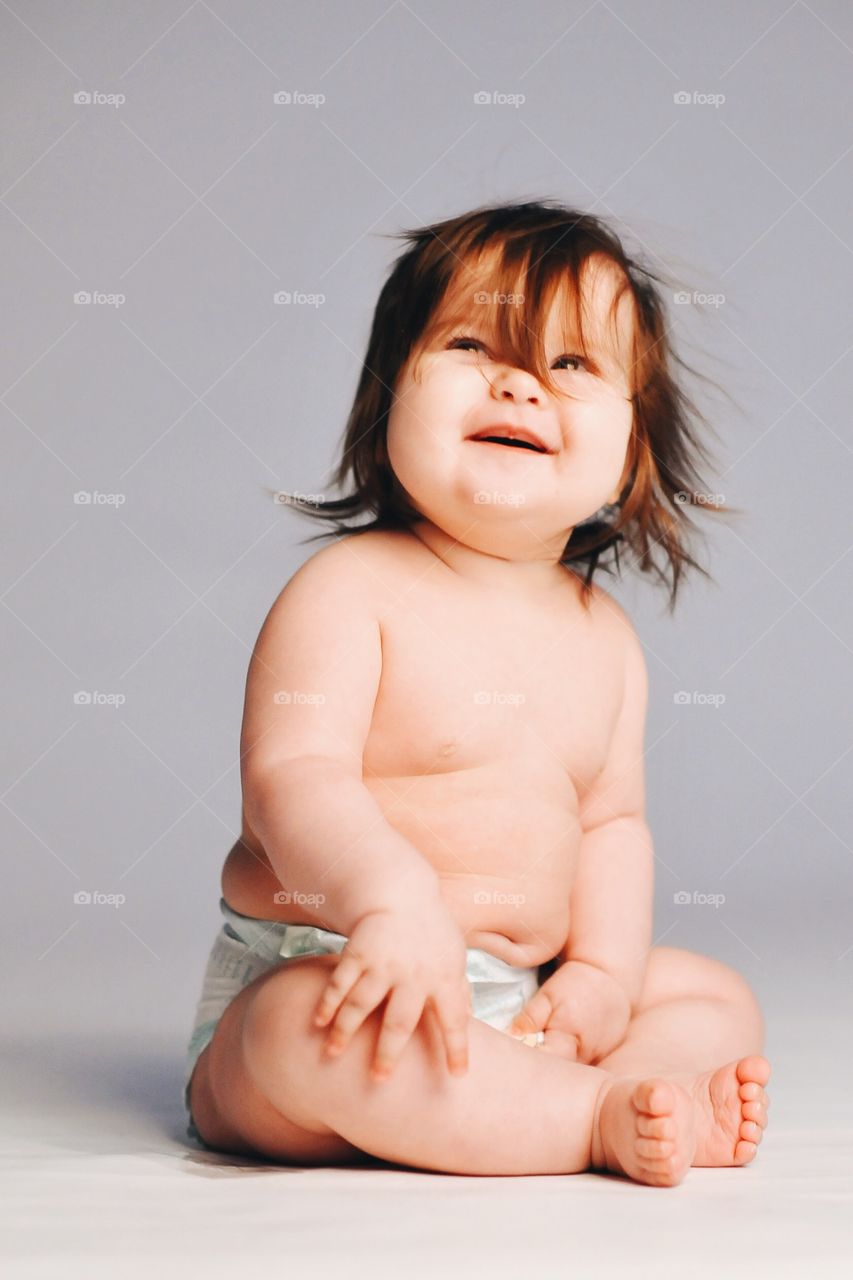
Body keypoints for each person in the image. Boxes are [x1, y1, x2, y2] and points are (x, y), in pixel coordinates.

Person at [183, 200, 769, 1186]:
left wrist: (598, 979)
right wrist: (389, 898)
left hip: (514, 998)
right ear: (385, 397)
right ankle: (588, 1115)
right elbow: (289, 778)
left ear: (630, 450)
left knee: (705, 993)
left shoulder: (606, 644)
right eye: (468, 342)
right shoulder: (349, 590)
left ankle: (603, 1081)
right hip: (339, 971)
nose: (519, 383)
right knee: (291, 1035)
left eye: (571, 365)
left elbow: (612, 826)